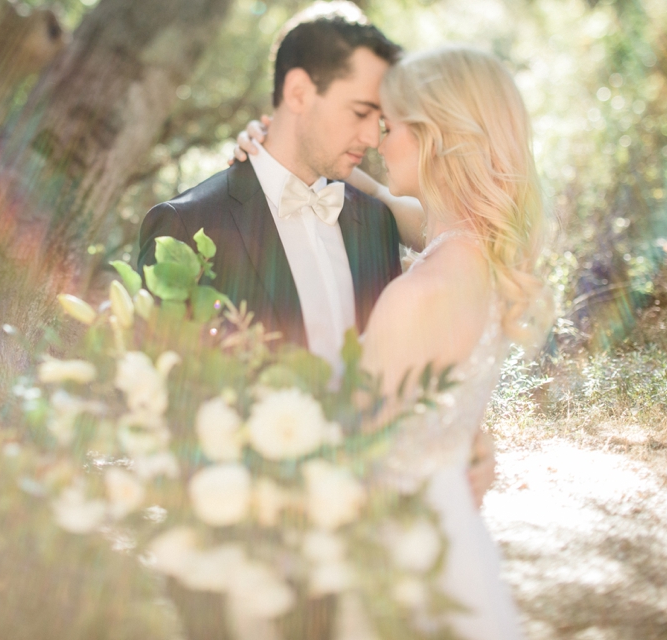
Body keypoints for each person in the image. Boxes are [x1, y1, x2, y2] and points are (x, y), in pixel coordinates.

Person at [241, 45, 551, 639]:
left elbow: (349, 465)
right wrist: (284, 149)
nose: (379, 140)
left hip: (398, 567)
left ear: (436, 136)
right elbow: (394, 205)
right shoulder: (479, 260)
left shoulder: (420, 294)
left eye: (392, 125)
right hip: (452, 541)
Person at [138, 2, 496, 507]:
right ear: (300, 92)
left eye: (381, 119)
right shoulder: (186, 226)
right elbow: (161, 422)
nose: (374, 138)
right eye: (360, 112)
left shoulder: (375, 222)